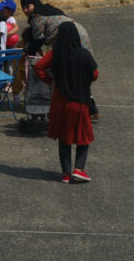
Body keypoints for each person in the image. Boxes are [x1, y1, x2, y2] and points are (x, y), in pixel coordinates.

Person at [32, 23, 98, 183]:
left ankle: (66, 173)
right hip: (79, 102)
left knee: (64, 137)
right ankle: (79, 169)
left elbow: (38, 67)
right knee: (83, 136)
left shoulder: (55, 55)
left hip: (59, 101)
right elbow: (94, 74)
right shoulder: (84, 54)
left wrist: (51, 80)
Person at [20, 0, 98, 119]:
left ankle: (86, 107)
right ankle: (91, 109)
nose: (25, 10)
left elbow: (38, 39)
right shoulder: (48, 10)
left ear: (33, 5)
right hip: (80, 34)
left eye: (27, 6)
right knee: (80, 71)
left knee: (69, 72)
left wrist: (28, 51)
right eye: (23, 7)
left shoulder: (37, 17)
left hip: (69, 39)